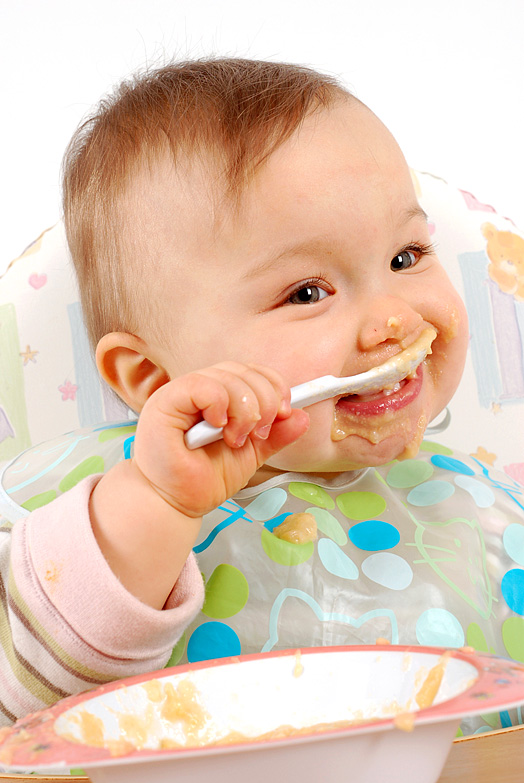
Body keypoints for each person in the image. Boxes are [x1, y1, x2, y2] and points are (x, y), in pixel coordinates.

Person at [0, 59, 522, 736]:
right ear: (150, 375)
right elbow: (26, 697)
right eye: (307, 293)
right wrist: (158, 504)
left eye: (406, 256)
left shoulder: (481, 510)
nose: (393, 317)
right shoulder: (111, 518)